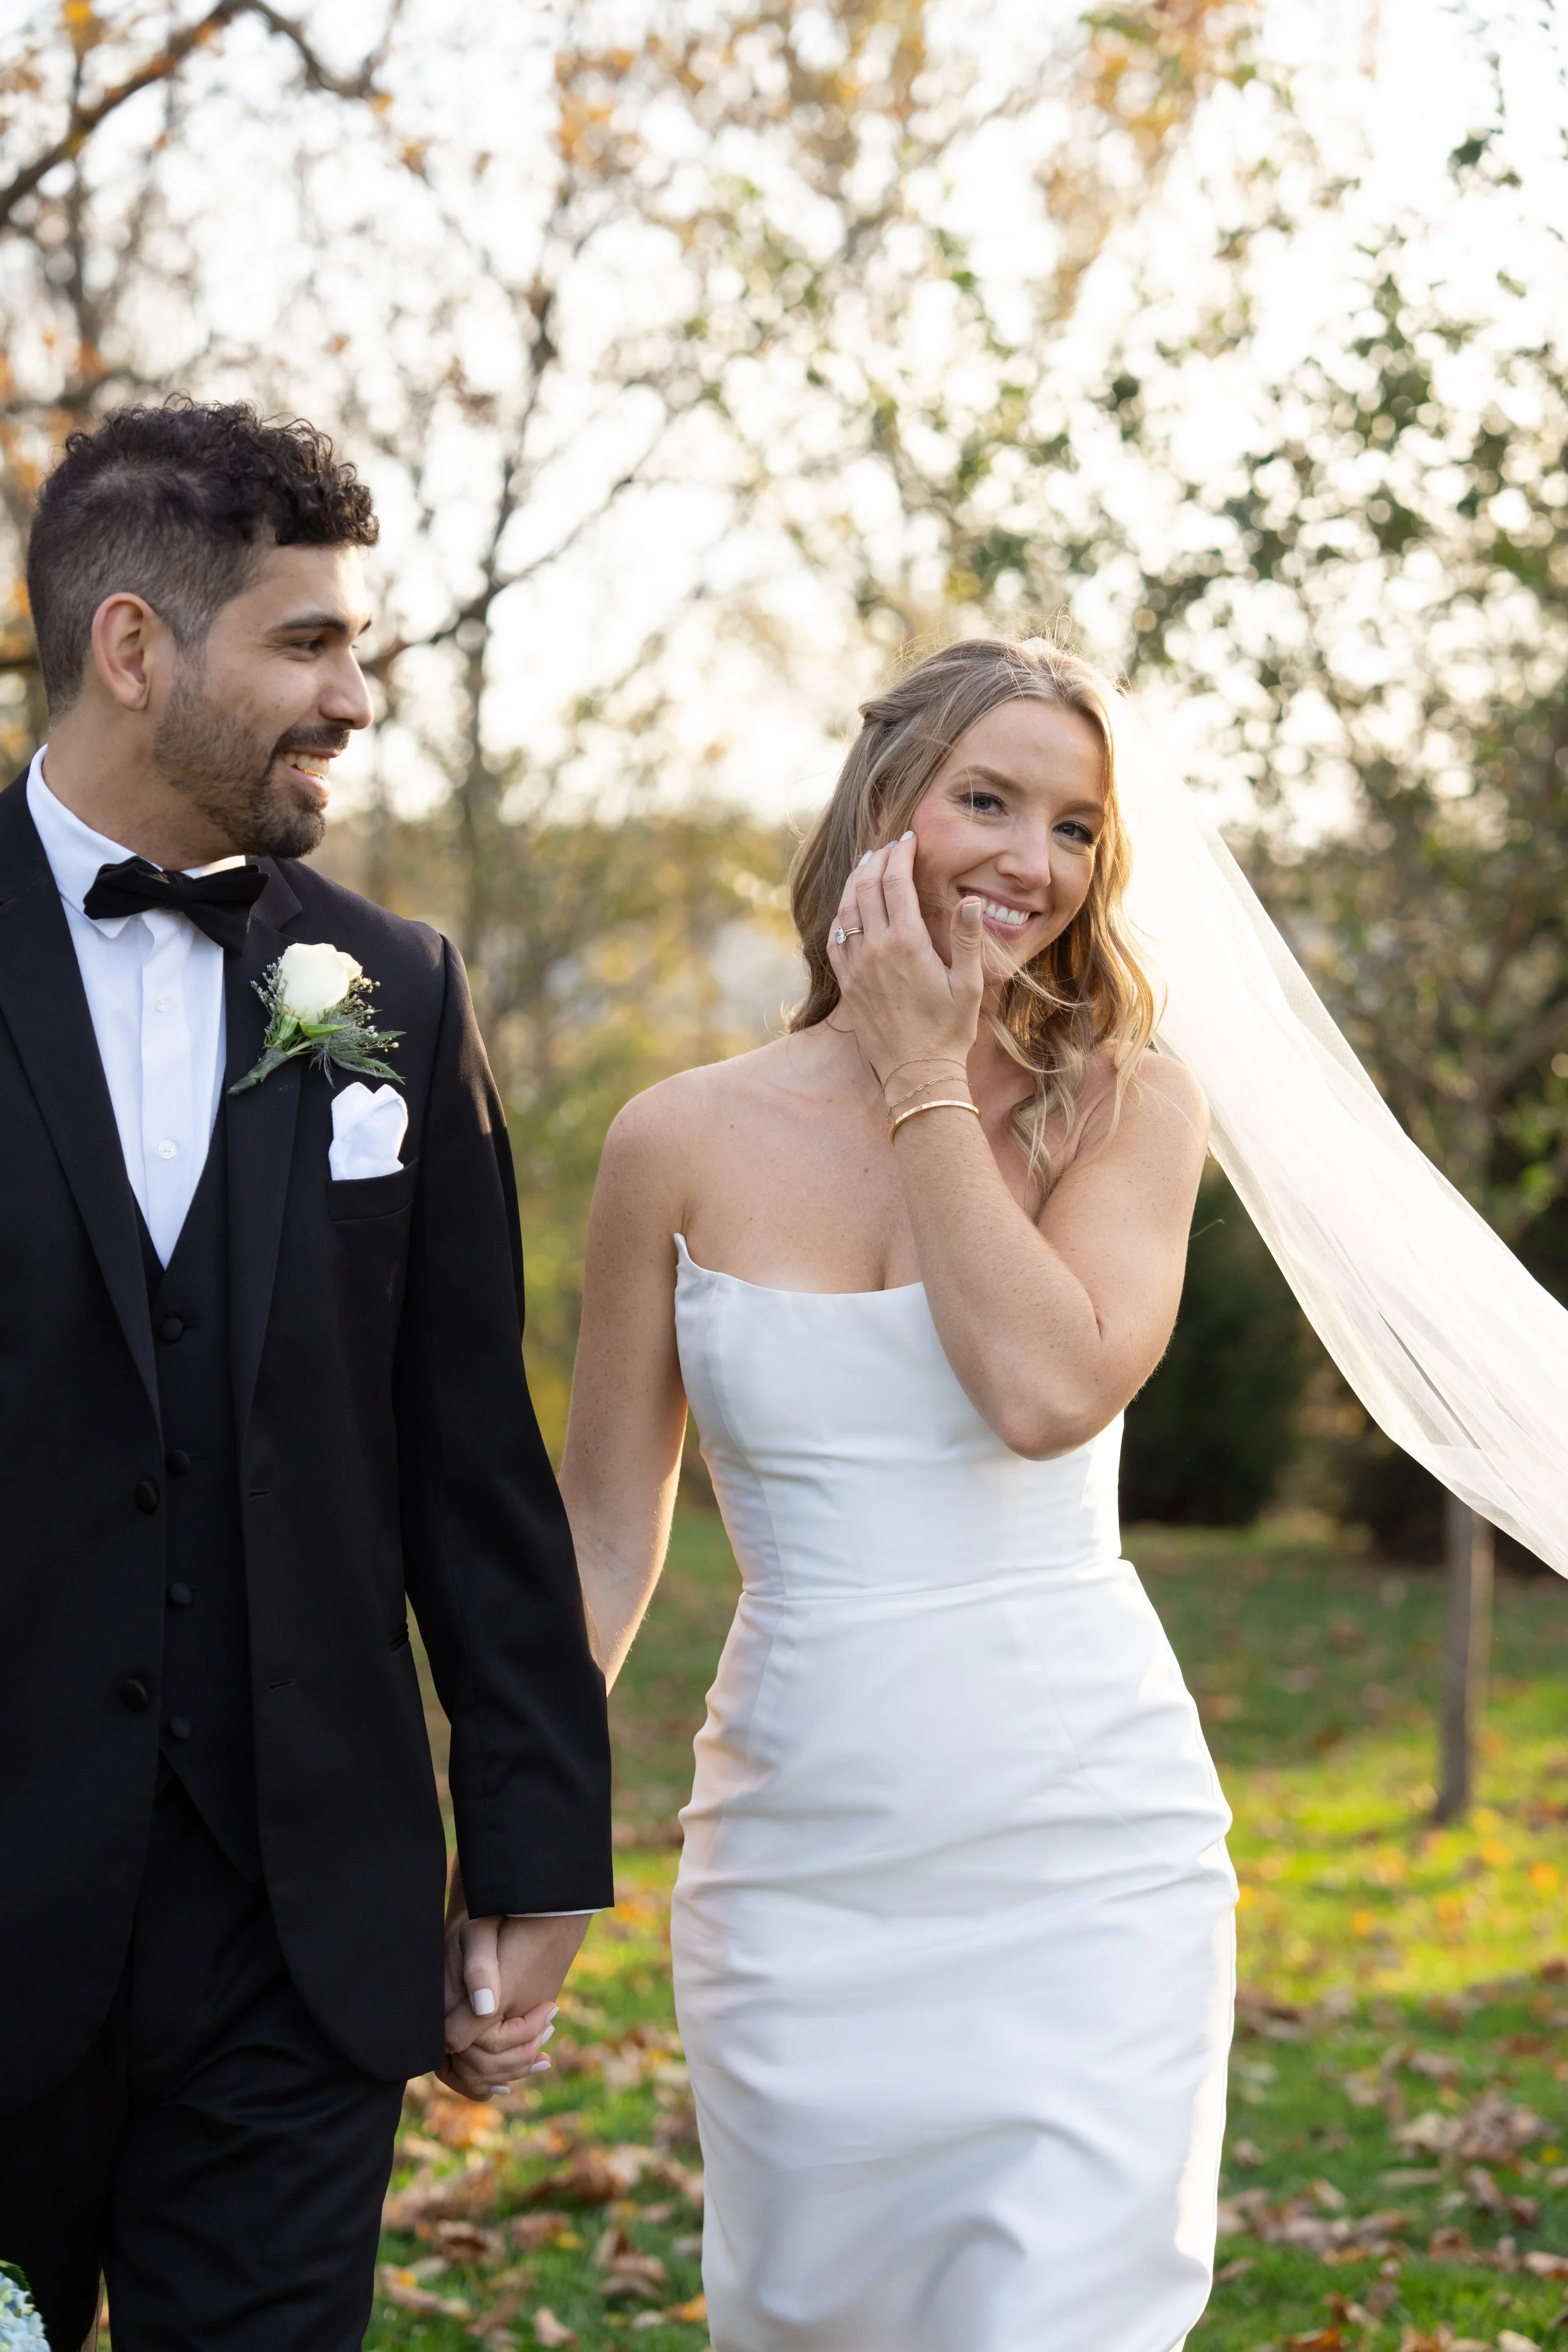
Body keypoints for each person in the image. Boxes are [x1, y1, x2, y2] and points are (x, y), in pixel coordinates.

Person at [0, 401, 613, 2352]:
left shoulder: (395, 992)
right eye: (307, 643)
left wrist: (529, 1845)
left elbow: (468, 1456)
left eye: (363, 644)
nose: (356, 696)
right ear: (130, 647)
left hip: (296, 1939)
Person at [551, 637, 1236, 2351]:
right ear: (881, 807)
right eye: (987, 799)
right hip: (798, 1863)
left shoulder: (1127, 1107)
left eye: (1074, 826)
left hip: (1084, 1851)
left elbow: (1043, 1389)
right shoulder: (675, 1139)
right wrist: (523, 1848)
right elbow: (606, 1539)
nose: (1030, 857)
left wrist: (930, 1075)